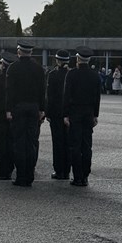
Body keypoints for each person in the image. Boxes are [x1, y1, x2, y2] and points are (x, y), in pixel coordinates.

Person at [5, 41, 45, 187]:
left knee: (19, 143)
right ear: (31, 52)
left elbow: (10, 91)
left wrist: (8, 109)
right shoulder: (38, 68)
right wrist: (42, 109)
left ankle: (21, 175)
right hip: (34, 107)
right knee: (32, 142)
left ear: (19, 52)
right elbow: (42, 91)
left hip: (19, 107)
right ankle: (30, 174)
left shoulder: (13, 68)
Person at [63, 46, 101, 187]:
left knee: (75, 145)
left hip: (75, 112)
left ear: (78, 59)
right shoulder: (94, 75)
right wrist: (95, 114)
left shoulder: (72, 74)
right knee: (87, 145)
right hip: (88, 112)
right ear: (89, 59)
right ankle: (85, 175)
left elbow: (66, 95)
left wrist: (65, 114)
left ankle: (77, 176)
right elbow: (97, 97)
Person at [0, 52, 17, 180]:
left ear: (3, 65)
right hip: (13, 114)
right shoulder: (17, 78)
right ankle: (10, 169)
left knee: (1, 144)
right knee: (11, 143)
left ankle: (2, 171)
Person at [46, 49, 71, 180]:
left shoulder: (53, 74)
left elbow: (50, 95)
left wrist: (48, 113)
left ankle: (59, 170)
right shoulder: (71, 74)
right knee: (68, 142)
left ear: (57, 60)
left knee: (57, 142)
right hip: (69, 113)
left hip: (56, 113)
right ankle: (67, 170)